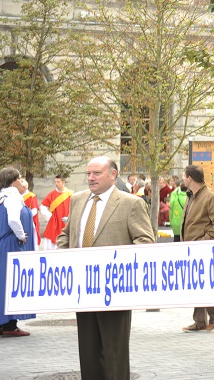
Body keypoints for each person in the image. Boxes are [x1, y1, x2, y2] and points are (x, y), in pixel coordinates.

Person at [56, 157, 154, 379]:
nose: (91, 178)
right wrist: (61, 259)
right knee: (88, 353)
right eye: (88, 173)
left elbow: (145, 242)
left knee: (114, 353)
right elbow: (66, 234)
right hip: (82, 288)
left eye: (97, 173)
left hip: (114, 290)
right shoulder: (77, 200)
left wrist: (117, 266)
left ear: (113, 174)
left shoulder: (131, 203)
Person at [0, 167, 33, 337]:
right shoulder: (12, 196)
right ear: (12, 181)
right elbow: (12, 219)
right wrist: (21, 236)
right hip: (10, 244)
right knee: (11, 282)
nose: (21, 181)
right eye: (19, 178)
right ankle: (10, 325)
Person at [180, 164, 214, 332]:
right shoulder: (191, 196)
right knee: (196, 283)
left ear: (190, 178)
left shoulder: (210, 197)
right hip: (191, 247)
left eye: (184, 176)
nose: (183, 178)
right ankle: (200, 321)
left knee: (202, 282)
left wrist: (206, 241)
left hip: (203, 247)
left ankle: (213, 315)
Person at [39, 175, 72, 250]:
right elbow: (43, 207)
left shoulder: (70, 194)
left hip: (67, 222)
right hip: (55, 223)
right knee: (52, 245)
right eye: (55, 182)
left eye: (58, 182)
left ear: (63, 182)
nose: (56, 184)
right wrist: (50, 217)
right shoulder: (52, 194)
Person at [21, 180, 41, 247]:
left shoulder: (31, 196)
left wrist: (24, 216)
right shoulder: (16, 196)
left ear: (23, 187)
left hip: (29, 221)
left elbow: (34, 211)